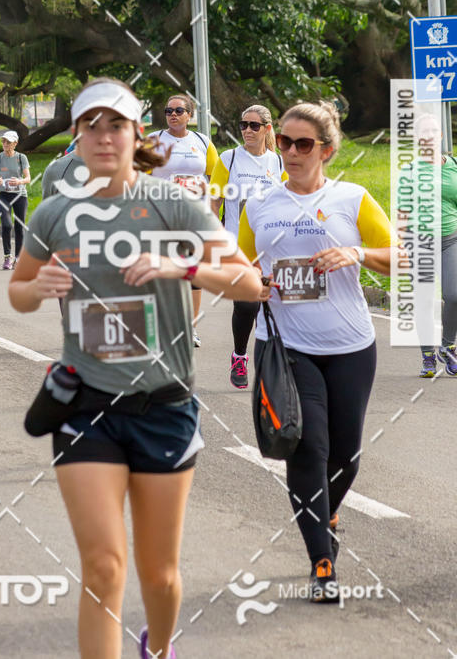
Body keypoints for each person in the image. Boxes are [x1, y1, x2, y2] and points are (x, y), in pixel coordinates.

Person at [9, 77, 263, 659]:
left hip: (164, 404)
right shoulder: (54, 215)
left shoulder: (173, 205)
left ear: (136, 134)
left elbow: (250, 282)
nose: (103, 136)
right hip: (86, 405)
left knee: (161, 577)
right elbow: (20, 291)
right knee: (102, 567)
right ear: (74, 137)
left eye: (115, 124)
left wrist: (183, 269)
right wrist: (37, 286)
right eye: (90, 125)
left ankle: (160, 645)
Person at [237, 101, 393, 601]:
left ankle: (324, 511)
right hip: (286, 347)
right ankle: (321, 562)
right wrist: (250, 281)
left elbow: (404, 256)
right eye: (283, 141)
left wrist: (357, 253)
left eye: (303, 144)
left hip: (350, 346)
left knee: (345, 456)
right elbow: (236, 259)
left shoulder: (352, 198)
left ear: (326, 150)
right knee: (308, 449)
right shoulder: (259, 204)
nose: (290, 151)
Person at [210, 104, 284, 388]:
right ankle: (239, 355)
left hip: (272, 246)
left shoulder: (277, 162)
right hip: (237, 247)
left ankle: (270, 365)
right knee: (247, 305)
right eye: (243, 125)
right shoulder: (229, 159)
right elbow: (214, 201)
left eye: (254, 125)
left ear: (267, 129)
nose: (247, 130)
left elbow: (288, 198)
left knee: (271, 306)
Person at [150, 94, 219, 348]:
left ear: (190, 115)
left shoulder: (202, 142)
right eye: (169, 111)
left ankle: (191, 328)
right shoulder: (153, 141)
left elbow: (216, 178)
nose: (173, 115)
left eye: (179, 110)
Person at [412, 114, 457, 378]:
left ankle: (448, 345)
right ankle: (428, 355)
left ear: (440, 136)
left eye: (433, 131)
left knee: (453, 295)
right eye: (423, 132)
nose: (428, 136)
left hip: (451, 239)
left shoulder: (454, 166)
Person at [0, 131, 31, 269]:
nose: (5, 144)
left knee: (19, 227)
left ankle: (18, 258)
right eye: (3, 141)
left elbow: (28, 178)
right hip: (4, 195)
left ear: (15, 143)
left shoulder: (22, 158)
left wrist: (20, 181)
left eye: (8, 142)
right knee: (6, 225)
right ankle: (7, 257)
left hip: (20, 196)